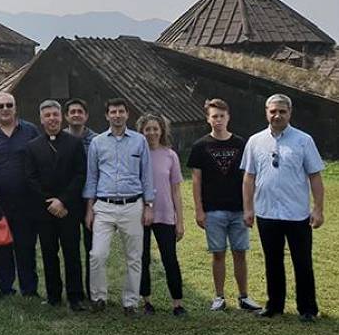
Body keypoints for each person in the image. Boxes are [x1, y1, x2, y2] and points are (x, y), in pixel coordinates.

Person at [241, 94, 325, 322]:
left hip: (297, 213)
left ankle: (307, 308)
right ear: (266, 112)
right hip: (267, 212)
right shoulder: (255, 141)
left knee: (302, 262)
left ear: (290, 113)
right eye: (273, 111)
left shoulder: (303, 140)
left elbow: (315, 176)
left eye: (282, 111)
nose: (277, 115)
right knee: (272, 261)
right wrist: (248, 209)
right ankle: (274, 305)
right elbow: (249, 177)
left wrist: (318, 209)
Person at [187, 98, 262, 312]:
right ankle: (219, 297)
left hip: (238, 209)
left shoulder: (241, 144)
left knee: (240, 252)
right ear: (208, 119)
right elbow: (196, 180)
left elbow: (249, 176)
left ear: (228, 117)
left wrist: (249, 207)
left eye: (221, 116)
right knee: (218, 253)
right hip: (213, 210)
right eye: (214, 116)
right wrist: (199, 210)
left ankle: (244, 296)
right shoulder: (200, 146)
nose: (218, 120)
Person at [83, 98, 154, 316]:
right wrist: (89, 209)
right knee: (97, 254)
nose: (117, 115)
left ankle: (130, 302)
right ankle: (98, 297)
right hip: (104, 206)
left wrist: (148, 205)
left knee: (134, 257)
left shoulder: (139, 141)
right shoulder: (97, 143)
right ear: (107, 115)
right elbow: (92, 177)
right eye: (113, 112)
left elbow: (146, 175)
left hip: (132, 205)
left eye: (121, 111)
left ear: (127, 114)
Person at [25, 100, 87, 311]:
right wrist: (50, 201)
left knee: (72, 253)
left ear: (62, 117)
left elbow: (80, 174)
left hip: (69, 209)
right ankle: (53, 296)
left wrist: (63, 200)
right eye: (47, 115)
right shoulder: (32, 146)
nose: (52, 119)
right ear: (41, 120)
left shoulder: (75, 143)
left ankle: (75, 296)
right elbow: (31, 178)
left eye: (55, 114)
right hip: (44, 210)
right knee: (49, 253)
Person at [0, 92, 40, 299]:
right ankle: (5, 288)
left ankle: (29, 289)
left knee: (26, 246)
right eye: (0, 106)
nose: (5, 109)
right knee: (1, 246)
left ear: (15, 107)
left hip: (26, 200)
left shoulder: (30, 130)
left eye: (9, 105)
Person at [136, 113, 185, 316]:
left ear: (162, 130)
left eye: (155, 128)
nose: (152, 133)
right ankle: (146, 301)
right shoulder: (136, 155)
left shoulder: (170, 155)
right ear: (141, 132)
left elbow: (176, 191)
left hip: (165, 214)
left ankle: (177, 303)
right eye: (147, 129)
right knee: (143, 259)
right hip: (140, 215)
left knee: (169, 259)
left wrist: (179, 221)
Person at [63, 98, 96, 300]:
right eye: (72, 111)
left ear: (86, 115)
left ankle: (94, 291)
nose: (76, 114)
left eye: (80, 111)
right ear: (66, 116)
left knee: (93, 249)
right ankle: (75, 293)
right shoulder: (60, 139)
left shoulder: (97, 140)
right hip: (69, 200)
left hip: (92, 200)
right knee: (71, 248)